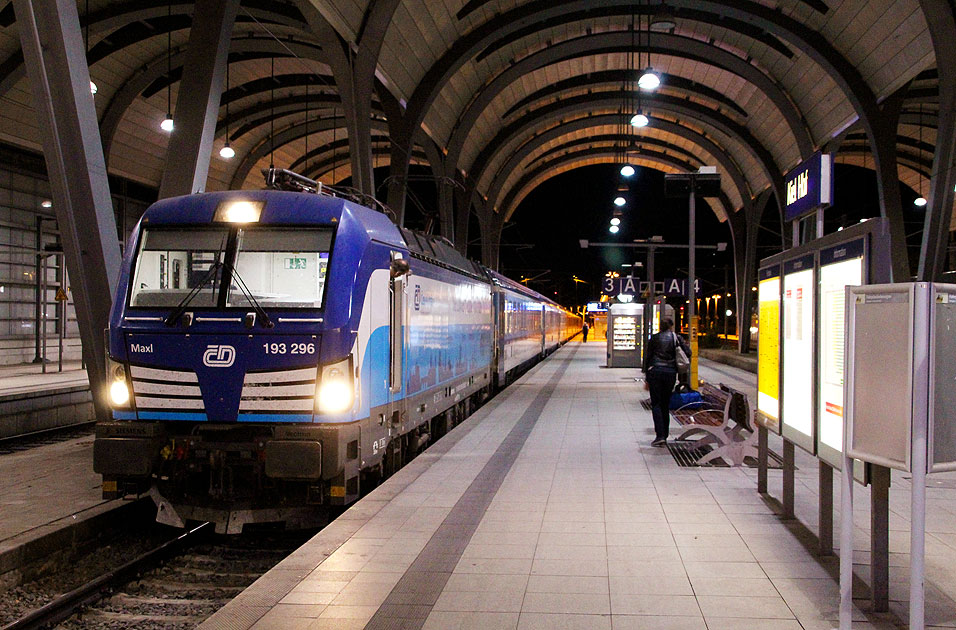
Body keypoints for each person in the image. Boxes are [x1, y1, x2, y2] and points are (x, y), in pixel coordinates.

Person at [642, 317, 691, 447]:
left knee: (656, 403)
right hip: (670, 373)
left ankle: (660, 436)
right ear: (671, 326)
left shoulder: (654, 338)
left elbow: (648, 357)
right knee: (665, 403)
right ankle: (665, 434)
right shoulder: (676, 337)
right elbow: (688, 353)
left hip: (655, 372)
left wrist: (647, 378)